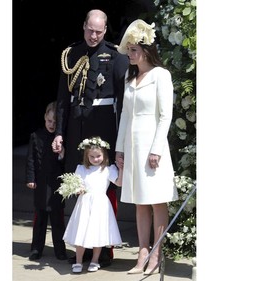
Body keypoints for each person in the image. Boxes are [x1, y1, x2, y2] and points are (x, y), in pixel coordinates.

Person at [52, 9, 129, 266]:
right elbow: (63, 99)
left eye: (98, 31)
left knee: (104, 186)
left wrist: (122, 138)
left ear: (105, 30)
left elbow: (124, 99)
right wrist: (60, 132)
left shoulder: (116, 56)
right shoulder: (71, 54)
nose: (93, 35)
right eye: (89, 29)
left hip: (103, 124)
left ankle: (104, 247)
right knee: (78, 184)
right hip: (77, 125)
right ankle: (81, 246)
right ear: (83, 26)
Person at [115, 19, 179, 275]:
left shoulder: (160, 75)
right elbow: (125, 117)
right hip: (132, 147)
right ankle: (142, 253)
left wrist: (157, 149)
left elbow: (165, 115)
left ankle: (156, 255)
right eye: (128, 49)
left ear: (146, 50)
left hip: (153, 147)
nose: (129, 54)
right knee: (140, 202)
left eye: (133, 50)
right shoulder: (130, 79)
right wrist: (120, 149)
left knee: (156, 202)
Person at [63, 136, 123, 273]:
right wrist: (78, 189)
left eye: (98, 156)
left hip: (100, 204)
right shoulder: (81, 169)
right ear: (86, 156)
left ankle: (95, 260)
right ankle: (78, 261)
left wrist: (121, 169)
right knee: (81, 232)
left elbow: (119, 183)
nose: (96, 159)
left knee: (98, 232)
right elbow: (76, 184)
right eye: (92, 157)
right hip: (84, 204)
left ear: (104, 155)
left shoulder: (108, 170)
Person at [25, 101, 67, 261]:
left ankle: (60, 250)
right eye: (49, 121)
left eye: (55, 123)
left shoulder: (61, 140)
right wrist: (31, 178)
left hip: (56, 185)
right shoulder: (35, 136)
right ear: (44, 117)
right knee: (40, 219)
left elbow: (65, 163)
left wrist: (62, 153)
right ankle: (36, 248)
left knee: (57, 220)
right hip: (41, 184)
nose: (52, 125)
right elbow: (30, 160)